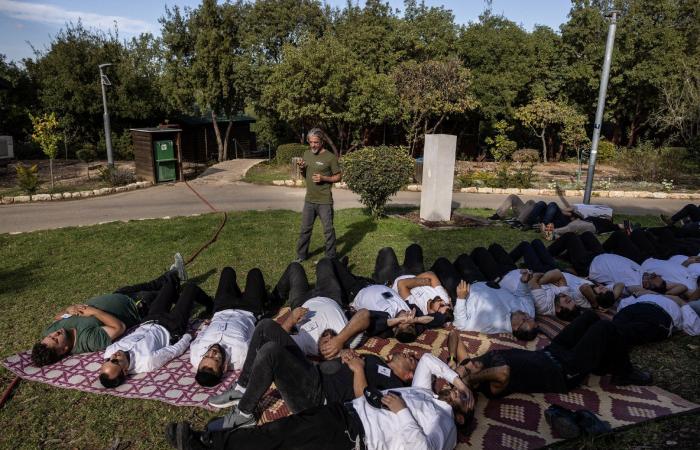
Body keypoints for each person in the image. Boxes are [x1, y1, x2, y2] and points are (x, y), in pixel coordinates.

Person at [166, 356, 475, 450]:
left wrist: (403, 412)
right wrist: (460, 382)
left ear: (462, 417)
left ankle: (206, 444)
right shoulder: (426, 394)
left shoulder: (445, 425)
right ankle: (210, 440)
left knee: (277, 440)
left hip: (356, 436)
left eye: (461, 395)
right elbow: (427, 361)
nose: (454, 387)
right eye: (457, 386)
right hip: (343, 412)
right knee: (277, 433)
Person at [448, 310, 653, 400]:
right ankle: (624, 372)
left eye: (466, 365)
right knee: (604, 328)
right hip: (564, 371)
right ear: (472, 382)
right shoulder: (490, 386)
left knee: (589, 317)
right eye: (468, 369)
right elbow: (503, 371)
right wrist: (468, 379)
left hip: (551, 352)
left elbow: (454, 334)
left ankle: (601, 362)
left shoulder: (473, 364)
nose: (470, 364)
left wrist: (453, 363)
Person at [32, 255, 186, 367]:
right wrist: (94, 312)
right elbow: (118, 327)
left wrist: (68, 309)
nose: (55, 333)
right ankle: (176, 280)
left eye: (50, 336)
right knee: (166, 291)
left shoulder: (49, 333)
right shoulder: (88, 341)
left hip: (120, 295)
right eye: (56, 339)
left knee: (152, 284)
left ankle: (172, 276)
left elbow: (57, 317)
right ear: (63, 350)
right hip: (137, 307)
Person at [98, 278, 212, 388]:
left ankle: (180, 299)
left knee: (169, 284)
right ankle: (211, 305)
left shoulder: (109, 351)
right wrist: (187, 337)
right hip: (171, 326)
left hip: (150, 319)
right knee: (191, 288)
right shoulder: (147, 361)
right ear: (125, 371)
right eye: (115, 361)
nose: (113, 356)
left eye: (107, 360)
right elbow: (173, 351)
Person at [190, 267, 269, 387]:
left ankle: (236, 293)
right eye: (216, 358)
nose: (212, 351)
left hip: (222, 308)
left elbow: (199, 337)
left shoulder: (195, 356)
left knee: (228, 272)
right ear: (225, 367)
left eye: (206, 355)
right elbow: (258, 337)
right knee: (254, 273)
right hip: (249, 310)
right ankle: (266, 298)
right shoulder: (242, 356)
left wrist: (206, 327)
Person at [295, 128, 342, 263]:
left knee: (328, 230)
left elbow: (338, 177)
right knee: (305, 229)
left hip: (324, 201)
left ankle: (331, 257)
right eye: (311, 142)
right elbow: (305, 175)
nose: (313, 145)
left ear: (322, 142)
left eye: (316, 142)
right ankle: (301, 255)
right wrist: (302, 168)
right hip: (309, 200)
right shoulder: (306, 154)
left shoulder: (330, 157)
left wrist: (324, 178)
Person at [452, 275, 539, 340]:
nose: (526, 314)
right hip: (483, 278)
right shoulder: (528, 312)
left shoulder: (493, 325)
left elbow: (460, 324)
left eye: (525, 319)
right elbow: (524, 295)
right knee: (479, 252)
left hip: (461, 289)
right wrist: (523, 282)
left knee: (443, 263)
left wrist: (461, 298)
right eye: (530, 317)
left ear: (516, 328)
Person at [528, 269, 624, 318]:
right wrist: (612, 300)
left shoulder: (585, 303)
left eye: (602, 292)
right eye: (606, 290)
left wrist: (595, 304)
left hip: (551, 277)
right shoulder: (602, 293)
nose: (603, 287)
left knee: (530, 246)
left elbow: (584, 288)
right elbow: (621, 284)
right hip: (559, 275)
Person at [613, 292, 700, 345]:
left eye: (654, 276)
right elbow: (622, 305)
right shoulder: (646, 293)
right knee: (615, 324)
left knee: (630, 330)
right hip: (635, 306)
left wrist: (682, 303)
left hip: (659, 314)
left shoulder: (679, 303)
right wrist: (637, 294)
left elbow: (695, 328)